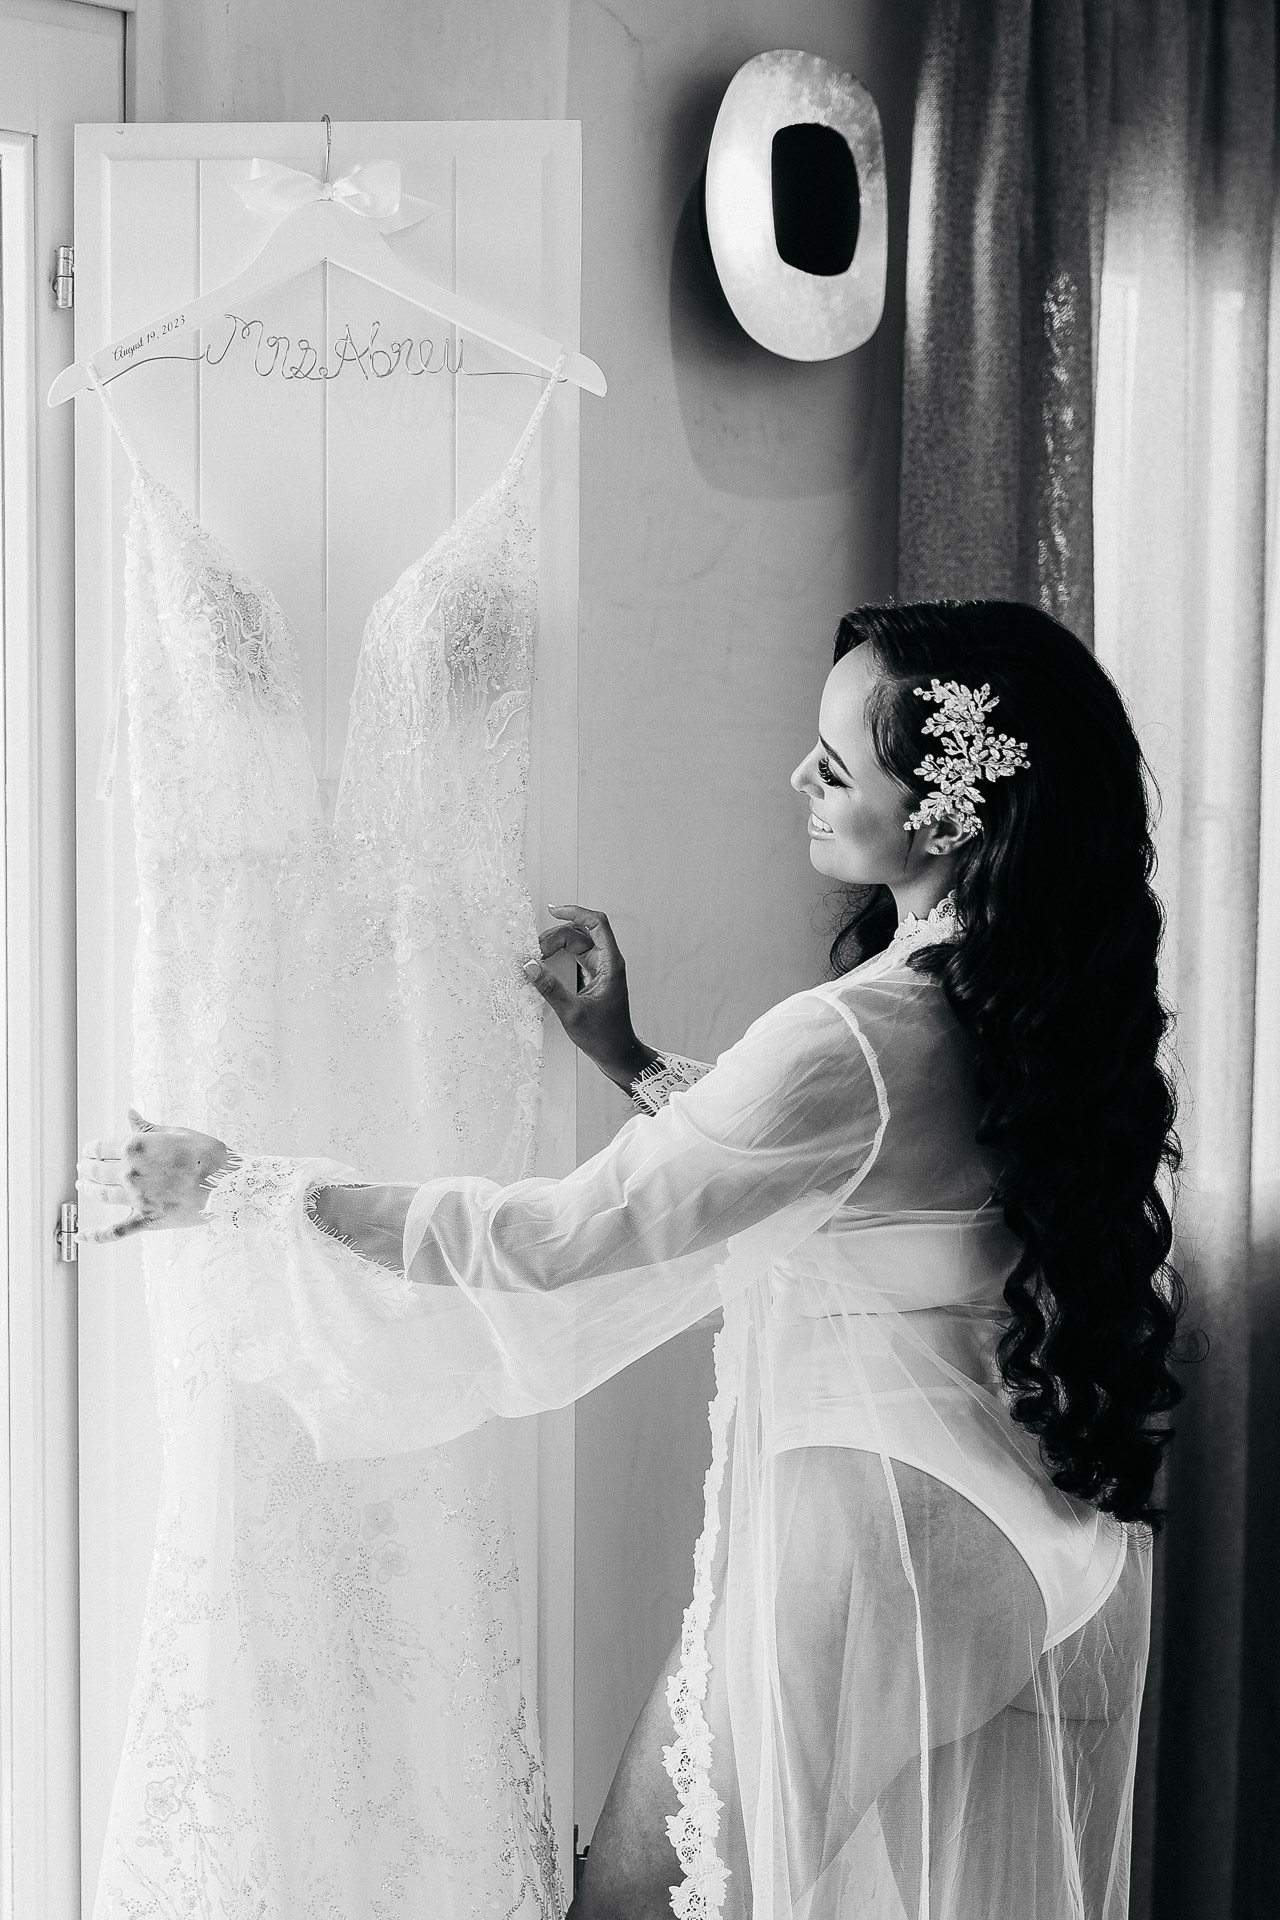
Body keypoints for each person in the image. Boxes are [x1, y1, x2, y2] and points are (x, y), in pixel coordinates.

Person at [79, 599, 1186, 1920]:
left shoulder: (855, 1031)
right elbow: (866, 1171)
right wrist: (632, 1059)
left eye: (833, 767)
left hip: (880, 1542)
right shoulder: (1028, 995)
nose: (799, 780)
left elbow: (553, 1242)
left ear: (945, 813)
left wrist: (251, 1186)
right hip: (1037, 1542)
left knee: (630, 1903)